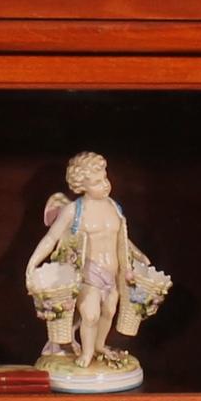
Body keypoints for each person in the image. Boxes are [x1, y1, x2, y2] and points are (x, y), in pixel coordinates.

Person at [24, 151, 170, 370]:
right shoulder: (74, 210)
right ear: (81, 185)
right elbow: (52, 238)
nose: (105, 185)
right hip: (88, 274)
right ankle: (87, 351)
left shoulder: (113, 207)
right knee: (90, 315)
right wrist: (33, 261)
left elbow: (121, 237)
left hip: (113, 272)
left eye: (105, 178)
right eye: (97, 182)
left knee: (109, 311)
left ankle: (99, 345)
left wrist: (138, 253)